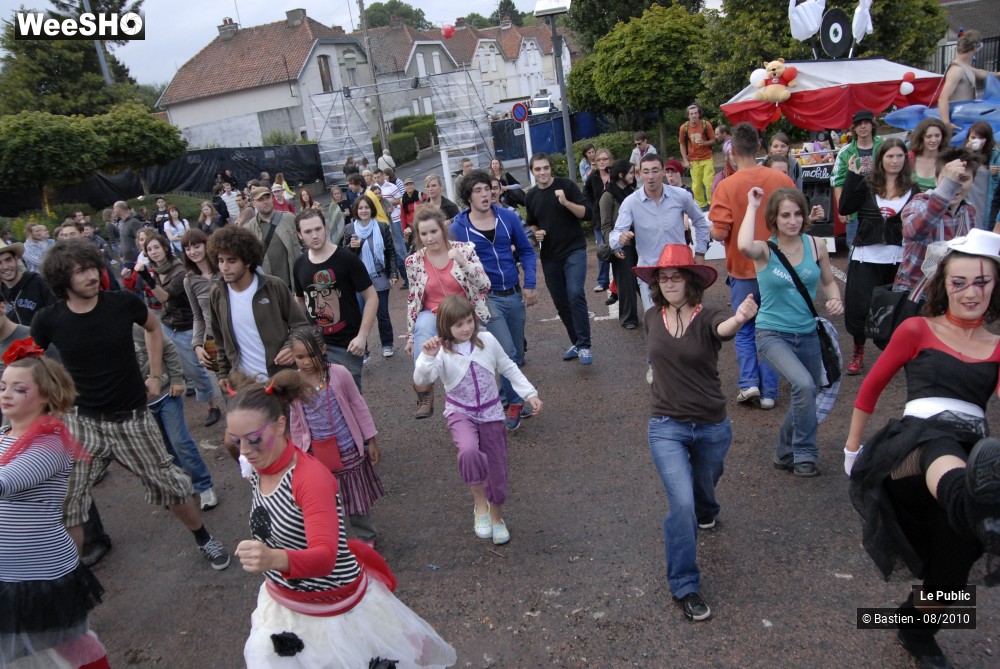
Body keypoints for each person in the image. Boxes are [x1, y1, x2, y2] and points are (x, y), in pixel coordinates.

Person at [845, 229, 1000, 669]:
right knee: (940, 441)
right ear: (942, 285)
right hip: (910, 452)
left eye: (982, 282)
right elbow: (870, 389)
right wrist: (852, 450)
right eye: (959, 282)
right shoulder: (917, 328)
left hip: (973, 451)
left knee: (959, 559)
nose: (971, 292)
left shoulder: (998, 348)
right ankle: (971, 499)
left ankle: (917, 629)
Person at [227, 378, 457, 669]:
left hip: (331, 610)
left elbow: (325, 557)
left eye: (253, 438)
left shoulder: (309, 479)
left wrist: (272, 557)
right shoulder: (259, 466)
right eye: (236, 440)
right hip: (283, 602)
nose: (244, 450)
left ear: (281, 425)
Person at [31, 240, 231, 569]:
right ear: (61, 279)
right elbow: (30, 361)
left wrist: (155, 375)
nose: (92, 275)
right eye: (80, 271)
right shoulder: (48, 320)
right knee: (69, 498)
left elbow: (153, 329)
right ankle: (71, 571)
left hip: (133, 418)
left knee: (172, 487)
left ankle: (203, 537)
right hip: (83, 423)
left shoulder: (121, 303)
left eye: (92, 267)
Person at [634, 243, 758, 622]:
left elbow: (725, 328)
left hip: (711, 424)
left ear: (690, 281)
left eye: (676, 276)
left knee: (706, 485)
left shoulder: (709, 315)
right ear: (657, 283)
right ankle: (685, 584)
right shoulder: (652, 316)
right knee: (681, 505)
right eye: (663, 277)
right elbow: (654, 355)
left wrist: (739, 318)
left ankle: (708, 507)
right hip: (666, 425)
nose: (669, 282)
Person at [0, 345, 111, 669]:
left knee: (73, 648)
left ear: (47, 396)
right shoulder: (6, 434)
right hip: (9, 570)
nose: (7, 394)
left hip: (40, 574)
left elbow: (4, 482)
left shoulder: (50, 443)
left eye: (19, 389)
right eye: (3, 386)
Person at [414, 294, 542, 546]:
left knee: (496, 468)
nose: (466, 328)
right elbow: (421, 380)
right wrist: (427, 356)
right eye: (458, 325)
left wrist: (530, 393)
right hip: (460, 412)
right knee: (469, 451)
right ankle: (479, 505)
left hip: (492, 412)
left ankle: (497, 519)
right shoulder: (441, 352)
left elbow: (508, 366)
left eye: (469, 321)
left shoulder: (487, 340)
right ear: (445, 327)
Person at [737, 187, 843, 477]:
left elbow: (829, 282)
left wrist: (834, 297)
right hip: (771, 333)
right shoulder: (764, 250)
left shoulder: (816, 245)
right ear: (774, 218)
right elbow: (743, 245)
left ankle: (783, 452)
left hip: (808, 332)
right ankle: (805, 453)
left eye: (798, 214)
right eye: (785, 215)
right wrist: (751, 205)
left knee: (806, 392)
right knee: (805, 386)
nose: (793, 220)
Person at [710, 122, 796, 410]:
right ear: (759, 147)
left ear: (732, 151)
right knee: (772, 328)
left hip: (742, 269)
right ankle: (770, 390)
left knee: (745, 327)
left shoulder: (726, 185)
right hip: (777, 267)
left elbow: (720, 232)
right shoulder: (780, 179)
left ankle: (749, 384)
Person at [451, 170, 538, 429]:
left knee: (517, 354)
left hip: (513, 292)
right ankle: (514, 402)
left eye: (487, 189)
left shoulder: (508, 217)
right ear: (468, 197)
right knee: (507, 351)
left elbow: (526, 250)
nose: (485, 194)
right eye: (477, 191)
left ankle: (503, 394)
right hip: (485, 299)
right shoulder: (459, 228)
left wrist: (530, 284)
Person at [285, 328, 385, 548]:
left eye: (311, 355)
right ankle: (331, 540)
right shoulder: (294, 383)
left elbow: (358, 404)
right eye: (299, 357)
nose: (306, 362)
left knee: (356, 497)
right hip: (315, 453)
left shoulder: (339, 373)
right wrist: (296, 453)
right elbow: (295, 421)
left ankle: (366, 535)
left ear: (322, 350)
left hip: (348, 447)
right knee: (324, 499)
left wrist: (371, 439)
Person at [838, 138, 919, 376]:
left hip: (898, 259)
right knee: (859, 307)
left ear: (905, 159)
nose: (894, 161)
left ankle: (893, 355)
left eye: (899, 156)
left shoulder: (914, 190)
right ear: (880, 160)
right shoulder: (866, 184)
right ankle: (858, 351)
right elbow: (845, 209)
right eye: (889, 156)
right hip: (866, 257)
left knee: (895, 311)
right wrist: (852, 177)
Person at [405, 206, 490, 418]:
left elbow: (484, 285)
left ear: (443, 229)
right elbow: (413, 300)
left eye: (433, 231)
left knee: (484, 355)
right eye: (424, 234)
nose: (430, 238)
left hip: (462, 312)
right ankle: (424, 392)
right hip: (432, 313)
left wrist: (461, 261)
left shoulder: (464, 249)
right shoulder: (413, 261)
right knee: (422, 328)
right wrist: (409, 337)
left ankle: (490, 401)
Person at [207, 226, 309, 397]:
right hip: (245, 386)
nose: (224, 267)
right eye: (220, 260)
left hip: (282, 380)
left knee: (291, 424)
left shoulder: (274, 286)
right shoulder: (217, 294)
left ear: (247, 261)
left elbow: (301, 325)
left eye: (232, 261)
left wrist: (291, 347)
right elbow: (220, 340)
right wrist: (223, 373)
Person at [132, 323, 218, 510]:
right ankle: (183, 485)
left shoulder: (135, 325)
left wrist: (177, 379)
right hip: (139, 404)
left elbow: (169, 348)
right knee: (163, 449)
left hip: (165, 394)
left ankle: (204, 485)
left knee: (180, 441)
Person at [611, 154, 710, 313]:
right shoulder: (631, 202)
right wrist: (620, 239)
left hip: (679, 270)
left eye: (655, 171)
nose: (650, 176)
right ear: (640, 174)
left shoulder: (681, 196)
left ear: (663, 172)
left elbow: (700, 222)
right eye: (646, 172)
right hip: (650, 272)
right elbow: (615, 235)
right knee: (656, 326)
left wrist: (700, 252)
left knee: (684, 322)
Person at [144, 233, 224, 428]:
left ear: (166, 248)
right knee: (217, 373)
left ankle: (214, 406)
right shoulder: (183, 276)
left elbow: (164, 297)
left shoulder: (180, 272)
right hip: (171, 324)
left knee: (198, 370)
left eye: (156, 247)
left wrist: (144, 277)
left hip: (187, 326)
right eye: (149, 249)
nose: (192, 251)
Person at [292, 208, 377, 391]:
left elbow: (371, 297)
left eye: (318, 229)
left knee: (349, 399)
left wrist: (362, 336)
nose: (314, 235)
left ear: (326, 228)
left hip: (347, 345)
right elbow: (299, 300)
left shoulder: (346, 258)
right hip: (315, 345)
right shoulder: (299, 264)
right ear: (299, 235)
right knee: (321, 399)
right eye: (307, 231)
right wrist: (298, 333)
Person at [525, 153, 594, 365]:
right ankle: (575, 341)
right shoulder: (531, 195)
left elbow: (587, 213)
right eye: (538, 169)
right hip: (550, 256)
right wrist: (536, 234)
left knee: (575, 293)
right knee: (561, 302)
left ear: (550, 168)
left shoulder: (567, 186)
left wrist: (565, 202)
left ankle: (584, 345)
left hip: (574, 250)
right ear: (533, 172)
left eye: (545, 168)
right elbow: (532, 222)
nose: (542, 172)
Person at [894, 148, 980, 292]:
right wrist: (947, 188)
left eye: (963, 179)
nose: (956, 185)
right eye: (949, 179)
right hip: (915, 292)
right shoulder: (919, 203)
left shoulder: (968, 211)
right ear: (936, 179)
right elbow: (912, 231)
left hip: (950, 294)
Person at [342, 196, 399, 359]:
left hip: (379, 275)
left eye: (367, 207)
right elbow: (344, 255)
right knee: (359, 315)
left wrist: (393, 272)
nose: (364, 211)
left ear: (372, 209)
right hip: (359, 279)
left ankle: (387, 344)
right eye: (360, 208)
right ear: (356, 211)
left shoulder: (381, 227)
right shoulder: (349, 229)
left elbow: (390, 251)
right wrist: (350, 248)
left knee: (382, 313)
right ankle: (363, 349)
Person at [832, 110, 884, 248]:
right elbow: (838, 181)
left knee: (883, 248)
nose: (863, 126)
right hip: (855, 211)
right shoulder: (845, 152)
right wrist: (841, 207)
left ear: (872, 125)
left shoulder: (885, 147)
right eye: (859, 124)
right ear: (853, 128)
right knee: (854, 249)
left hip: (882, 208)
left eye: (866, 122)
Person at [601, 159, 639, 328]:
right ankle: (628, 318)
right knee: (626, 282)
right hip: (622, 244)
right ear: (621, 175)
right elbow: (606, 226)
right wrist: (614, 247)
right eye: (631, 172)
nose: (634, 175)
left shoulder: (632, 191)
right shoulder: (607, 196)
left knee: (645, 278)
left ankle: (657, 311)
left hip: (639, 241)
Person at [243, 185, 303, 292]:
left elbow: (305, 245)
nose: (265, 202)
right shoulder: (248, 229)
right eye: (260, 200)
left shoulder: (289, 218)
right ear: (253, 204)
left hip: (294, 282)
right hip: (268, 286)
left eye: (267, 197)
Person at [182, 228, 223, 383]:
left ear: (207, 245)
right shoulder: (190, 280)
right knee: (226, 387)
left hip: (236, 334)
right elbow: (198, 316)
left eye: (196, 246)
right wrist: (197, 345)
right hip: (214, 339)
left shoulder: (223, 269)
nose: (192, 252)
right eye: (187, 248)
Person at [937, 29, 1000, 129]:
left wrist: (997, 74)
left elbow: (982, 73)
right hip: (958, 114)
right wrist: (946, 123)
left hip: (966, 112)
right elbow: (943, 98)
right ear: (977, 47)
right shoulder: (956, 70)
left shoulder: (965, 67)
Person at [0, 241, 55, 325]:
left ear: (16, 259)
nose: (5, 267)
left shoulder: (39, 283)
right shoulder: (2, 293)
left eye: (8, 260)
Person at [678, 104, 716, 209]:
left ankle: (712, 203)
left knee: (709, 182)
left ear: (699, 114)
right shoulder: (684, 128)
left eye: (695, 113)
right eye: (691, 114)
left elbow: (713, 140)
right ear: (688, 115)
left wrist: (704, 143)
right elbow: (681, 144)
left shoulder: (705, 124)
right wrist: (685, 160)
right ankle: (701, 205)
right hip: (694, 160)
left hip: (707, 157)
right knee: (696, 185)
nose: (694, 115)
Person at [964, 121, 999, 230]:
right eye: (973, 137)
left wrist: (997, 173)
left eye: (981, 138)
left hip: (986, 200)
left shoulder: (995, 156)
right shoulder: (963, 154)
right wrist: (967, 153)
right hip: (968, 198)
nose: (976, 141)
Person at [909, 118, 951, 193]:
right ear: (921, 137)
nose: (934, 140)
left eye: (937, 136)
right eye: (929, 136)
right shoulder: (909, 158)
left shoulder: (948, 161)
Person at [400, 177, 427, 251]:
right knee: (414, 249)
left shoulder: (420, 195)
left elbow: (429, 205)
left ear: (414, 185)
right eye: (407, 185)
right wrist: (404, 230)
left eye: (411, 184)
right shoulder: (403, 200)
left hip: (422, 224)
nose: (409, 186)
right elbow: (403, 216)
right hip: (411, 228)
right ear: (404, 187)